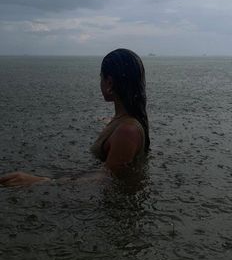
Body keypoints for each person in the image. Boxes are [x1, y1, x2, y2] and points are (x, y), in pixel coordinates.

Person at [0, 48, 150, 185]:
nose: (100, 82)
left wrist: (38, 181)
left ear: (109, 82)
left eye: (101, 77)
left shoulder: (127, 130)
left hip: (115, 213)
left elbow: (106, 179)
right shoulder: (122, 122)